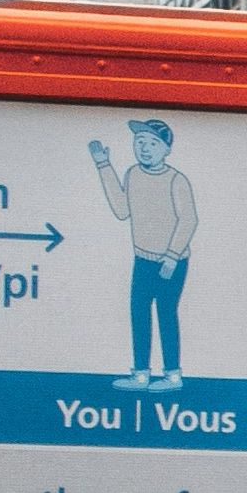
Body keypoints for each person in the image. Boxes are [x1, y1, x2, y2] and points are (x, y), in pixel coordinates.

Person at [89, 119, 200, 392]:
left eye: (152, 143)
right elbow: (121, 209)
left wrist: (172, 256)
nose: (145, 149)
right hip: (142, 258)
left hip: (171, 261)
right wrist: (104, 165)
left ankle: (172, 375)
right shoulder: (133, 174)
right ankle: (141, 374)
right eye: (140, 142)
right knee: (139, 313)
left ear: (166, 149)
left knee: (165, 313)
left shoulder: (177, 180)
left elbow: (189, 220)